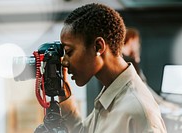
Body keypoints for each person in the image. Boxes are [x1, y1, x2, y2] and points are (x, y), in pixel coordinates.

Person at [59, 3, 166, 133]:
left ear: (98, 47)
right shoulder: (110, 94)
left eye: (69, 52)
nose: (64, 62)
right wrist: (64, 96)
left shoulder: (138, 110)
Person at [122, 27, 180, 112]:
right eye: (137, 42)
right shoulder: (129, 62)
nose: (138, 45)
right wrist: (162, 103)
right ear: (131, 40)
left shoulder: (122, 59)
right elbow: (142, 88)